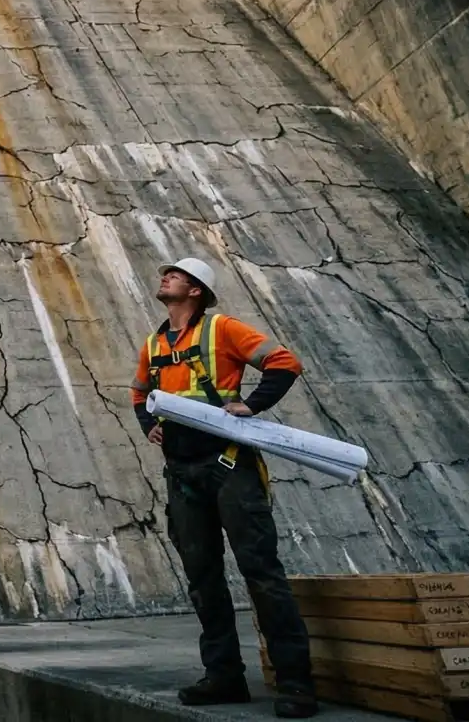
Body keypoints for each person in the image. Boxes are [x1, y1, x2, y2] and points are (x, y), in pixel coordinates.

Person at [131, 257, 318, 719]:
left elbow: (284, 362)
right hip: (182, 472)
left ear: (196, 290)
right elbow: (139, 393)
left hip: (229, 465)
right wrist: (147, 425)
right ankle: (223, 677)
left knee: (261, 572)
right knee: (203, 579)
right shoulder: (154, 344)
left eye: (175, 275)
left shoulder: (222, 330)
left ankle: (295, 684)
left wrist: (252, 405)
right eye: (166, 274)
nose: (165, 277)